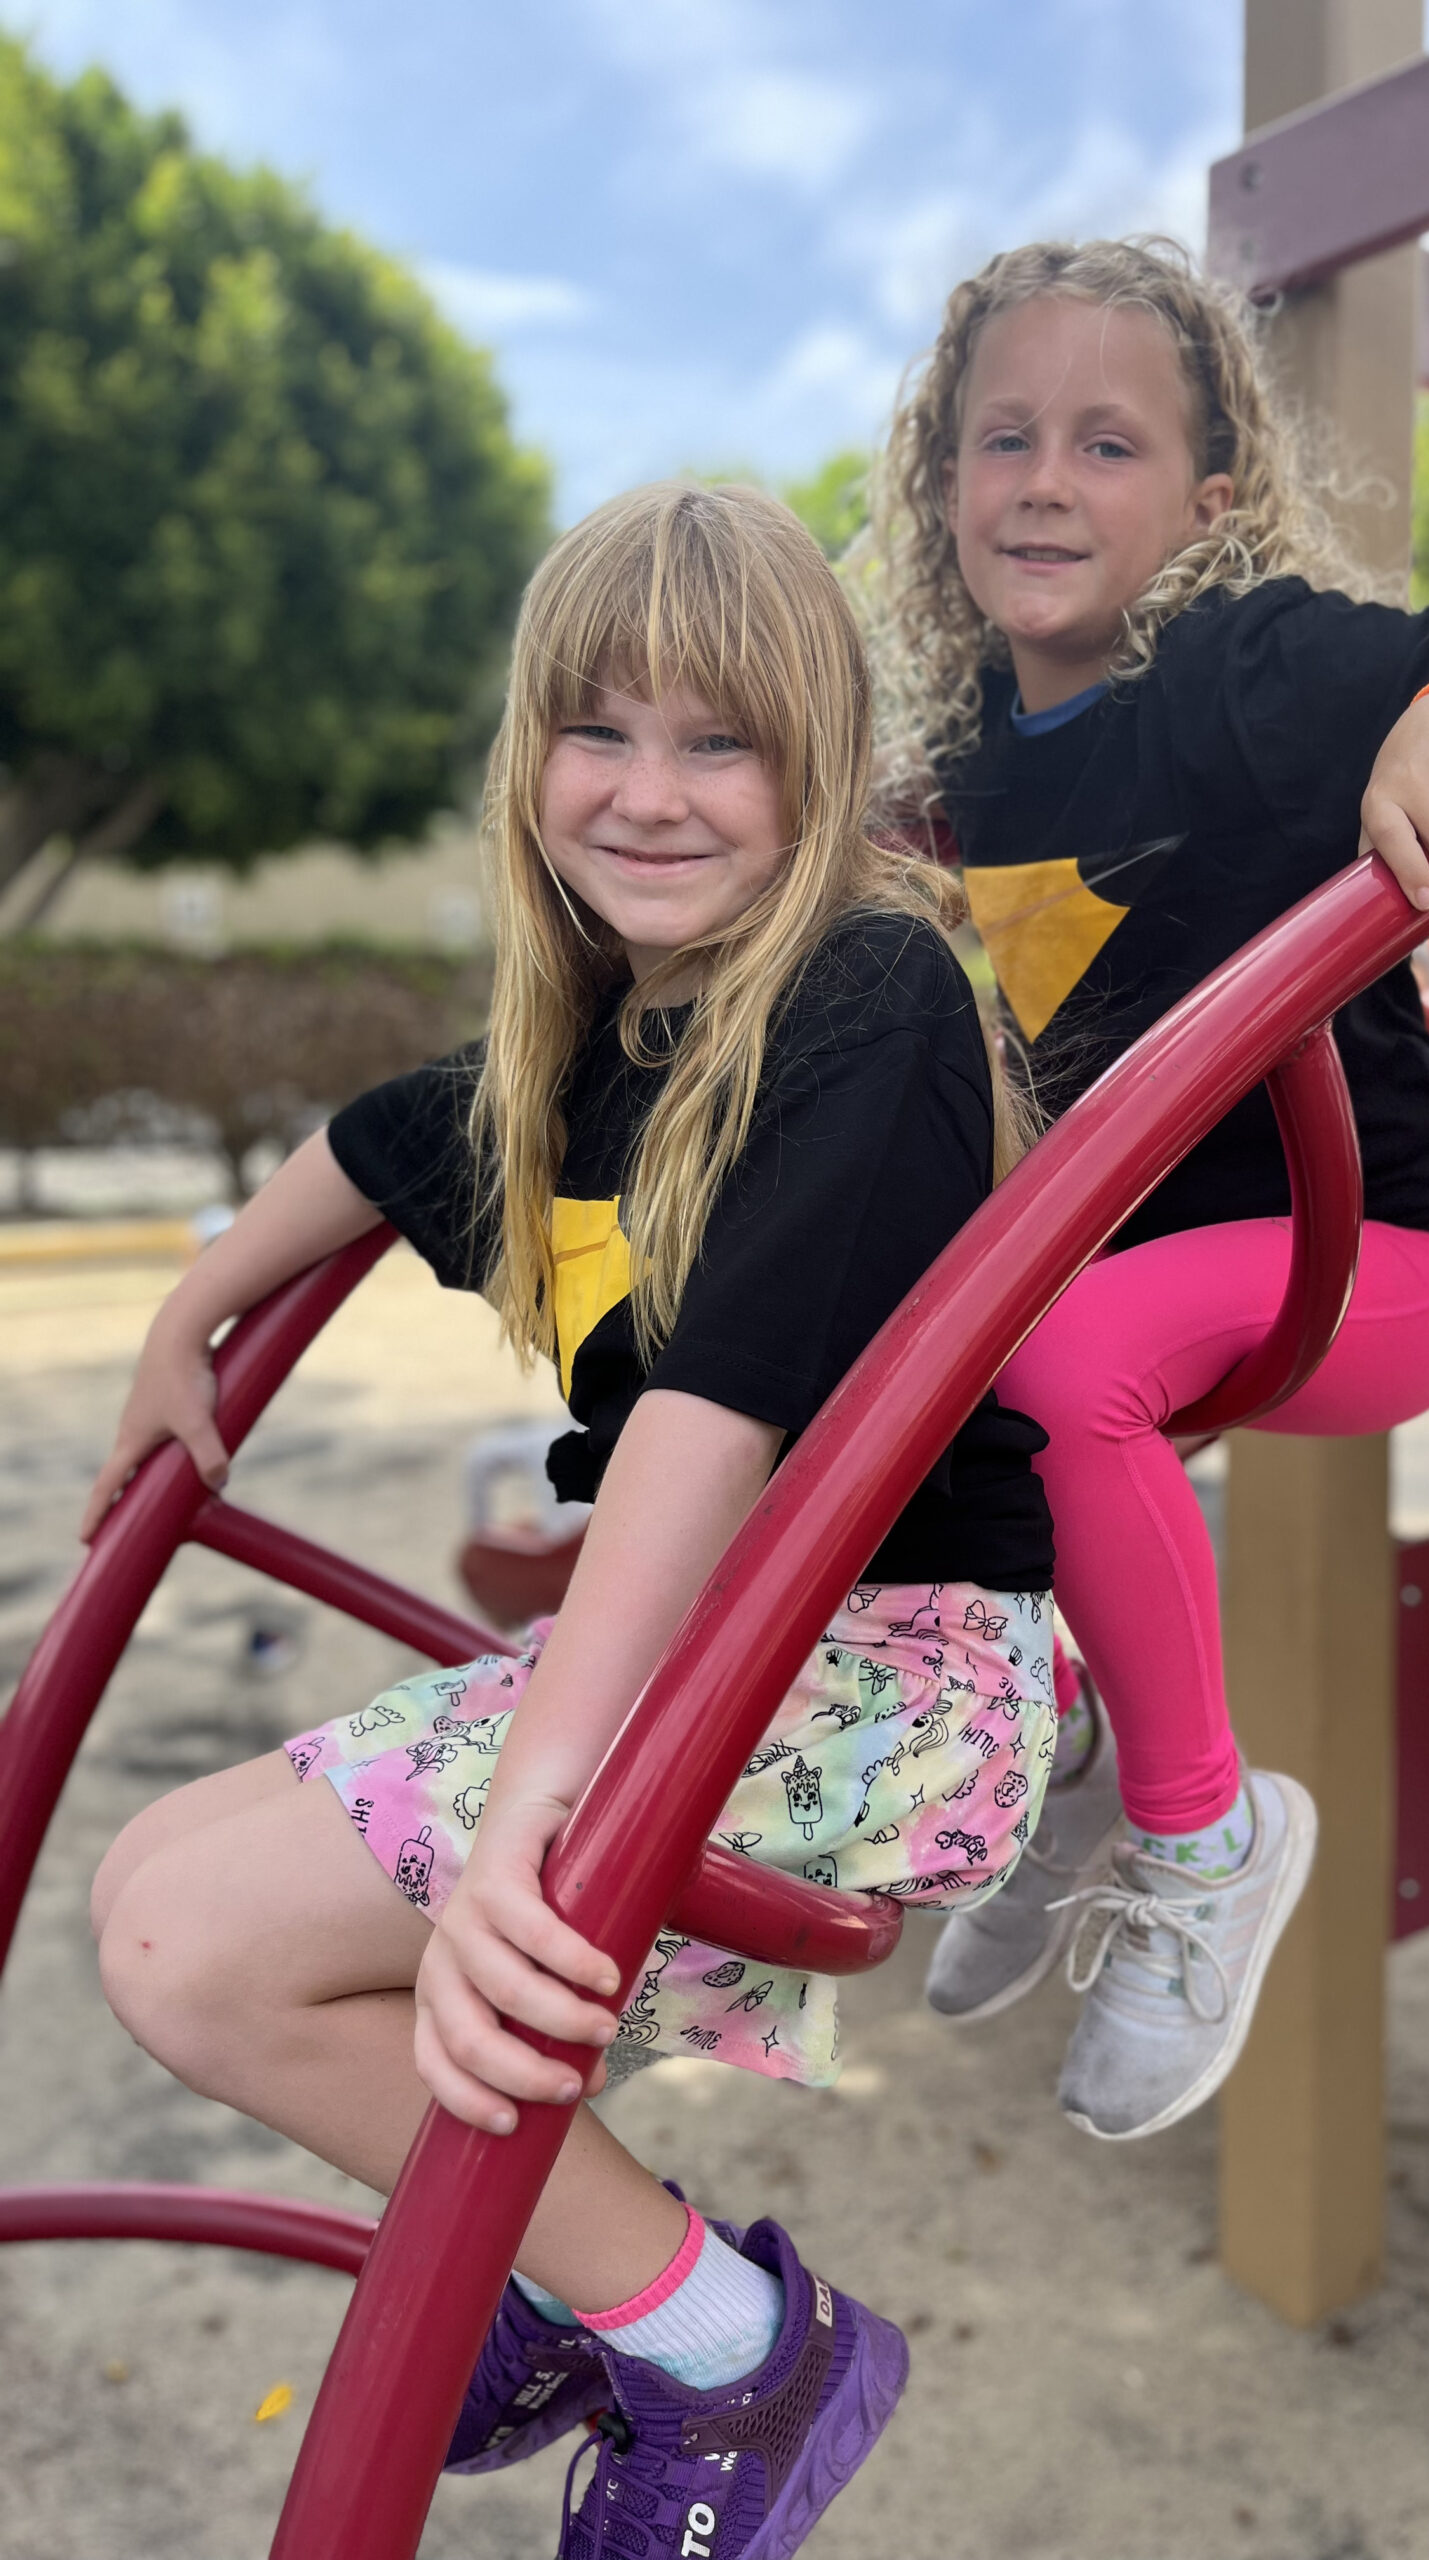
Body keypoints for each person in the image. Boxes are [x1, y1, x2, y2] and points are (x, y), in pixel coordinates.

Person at [82, 483, 1058, 2554]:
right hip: (720, 1641)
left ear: (820, 766)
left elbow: (719, 1419)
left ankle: (730, 2348)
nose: (648, 793)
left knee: (202, 1949)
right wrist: (192, 1303)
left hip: (885, 1655)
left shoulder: (864, 998)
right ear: (530, 753)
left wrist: (549, 1785)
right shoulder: (591, 1038)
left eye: (721, 741)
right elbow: (372, 1143)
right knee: (158, 1871)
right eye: (595, 731)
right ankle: (573, 2291)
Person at [865, 236, 1429, 2144]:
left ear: (1206, 504)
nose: (1048, 483)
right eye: (1004, 441)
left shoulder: (1252, 668)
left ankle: (1210, 1833)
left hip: (1376, 1255)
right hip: (1140, 1289)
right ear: (941, 488)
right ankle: (1060, 1743)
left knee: (1044, 1355)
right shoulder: (956, 765)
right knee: (896, 1354)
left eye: (1108, 444)